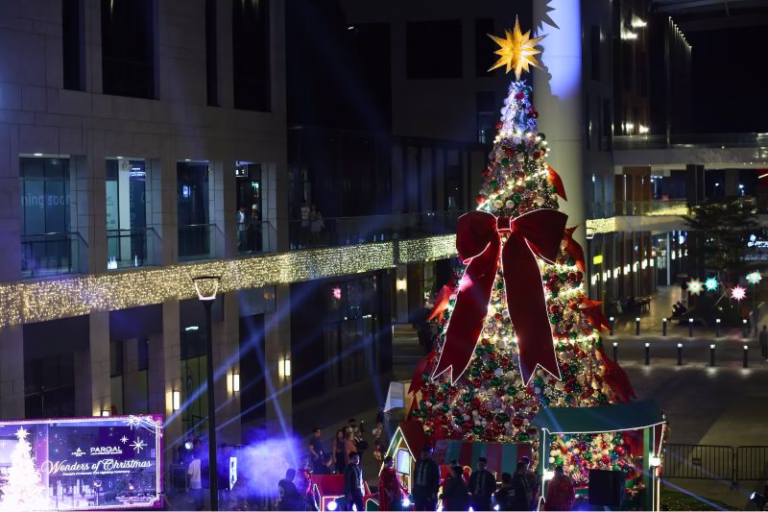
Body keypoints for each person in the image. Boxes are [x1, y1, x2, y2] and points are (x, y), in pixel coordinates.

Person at [412, 446, 440, 511]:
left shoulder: (433, 465)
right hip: (418, 490)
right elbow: (415, 476)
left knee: (430, 508)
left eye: (426, 454)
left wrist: (434, 492)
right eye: (422, 453)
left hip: (428, 490)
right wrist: (414, 488)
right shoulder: (418, 463)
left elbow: (436, 479)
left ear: (430, 454)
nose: (424, 455)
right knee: (419, 508)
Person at [187, 446, 203, 511]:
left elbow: (190, 475)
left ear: (193, 456)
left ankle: (198, 509)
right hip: (202, 483)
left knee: (196, 498)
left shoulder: (191, 464)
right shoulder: (202, 462)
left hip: (194, 484)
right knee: (201, 497)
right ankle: (202, 507)